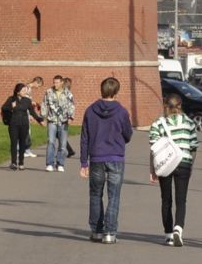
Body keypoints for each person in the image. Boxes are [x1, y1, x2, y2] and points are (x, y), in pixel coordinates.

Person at [79, 75, 133, 242]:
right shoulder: (122, 112)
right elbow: (128, 134)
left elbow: (85, 137)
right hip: (115, 156)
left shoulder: (90, 110)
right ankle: (110, 232)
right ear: (116, 92)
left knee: (95, 194)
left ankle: (96, 230)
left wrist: (83, 162)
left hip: (96, 156)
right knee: (114, 195)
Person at [148, 89, 200, 245]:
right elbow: (193, 147)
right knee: (181, 200)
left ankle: (169, 233)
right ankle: (179, 228)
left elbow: (154, 149)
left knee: (166, 200)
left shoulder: (158, 124)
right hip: (184, 162)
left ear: (165, 106)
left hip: (166, 165)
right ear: (180, 105)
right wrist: (190, 166)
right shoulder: (189, 123)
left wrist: (152, 169)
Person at [1, 81, 34, 169]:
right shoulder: (11, 99)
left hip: (24, 124)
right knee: (14, 143)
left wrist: (40, 120)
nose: (25, 92)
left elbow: (32, 112)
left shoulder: (27, 101)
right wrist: (11, 106)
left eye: (25, 90)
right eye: (23, 90)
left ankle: (21, 162)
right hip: (13, 124)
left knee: (22, 143)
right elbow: (3, 108)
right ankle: (14, 162)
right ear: (18, 91)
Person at [42, 74, 70, 171]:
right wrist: (44, 118)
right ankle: (49, 163)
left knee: (62, 144)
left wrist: (71, 116)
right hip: (52, 121)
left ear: (62, 82)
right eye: (54, 82)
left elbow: (71, 105)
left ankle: (60, 164)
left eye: (57, 82)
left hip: (63, 121)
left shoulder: (67, 93)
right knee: (51, 142)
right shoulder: (49, 92)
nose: (55, 84)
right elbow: (44, 104)